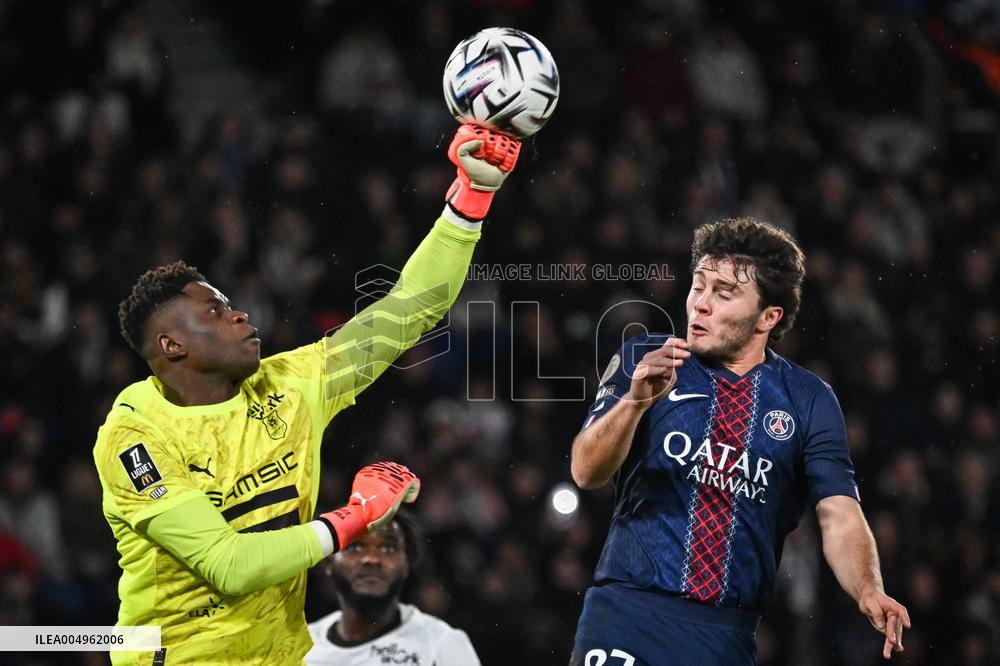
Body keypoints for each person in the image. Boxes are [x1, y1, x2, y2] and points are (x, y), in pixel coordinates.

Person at [92, 124, 521, 665]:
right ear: (172, 346)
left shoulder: (292, 384)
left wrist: (470, 198)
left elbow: (410, 307)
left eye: (230, 303)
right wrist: (357, 516)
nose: (239, 314)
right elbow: (231, 565)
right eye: (214, 312)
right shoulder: (136, 435)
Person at [570, 217, 911, 665]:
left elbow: (839, 514)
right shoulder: (648, 357)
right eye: (699, 286)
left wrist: (869, 587)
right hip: (627, 614)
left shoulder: (807, 399)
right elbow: (585, 471)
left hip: (724, 636)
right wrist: (633, 405)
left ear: (768, 317)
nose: (701, 305)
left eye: (724, 293)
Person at [305, 512, 480, 665]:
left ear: (408, 563)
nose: (371, 558)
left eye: (388, 548)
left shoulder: (441, 644)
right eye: (356, 546)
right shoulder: (302, 646)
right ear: (329, 561)